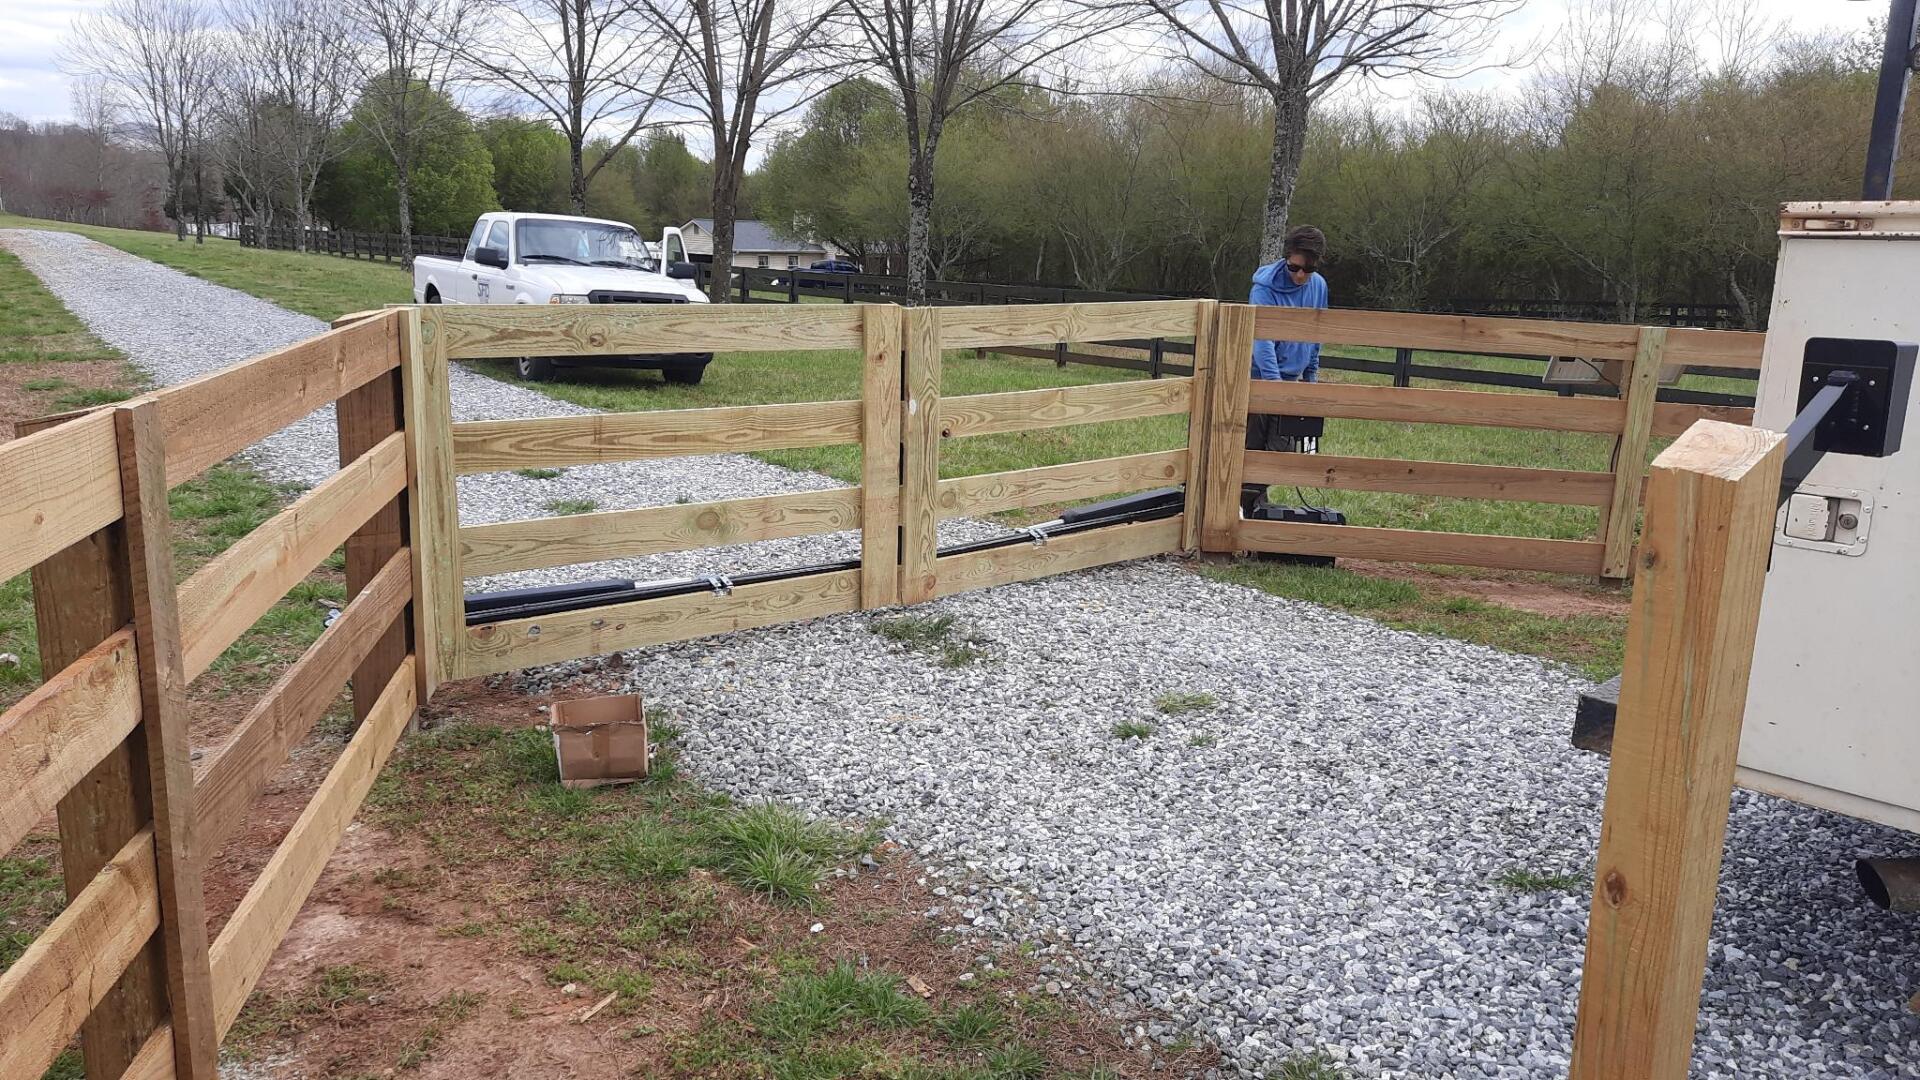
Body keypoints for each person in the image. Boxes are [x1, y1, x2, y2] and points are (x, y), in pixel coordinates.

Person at [1243, 225, 1330, 515]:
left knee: (1281, 449)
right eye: (1295, 268)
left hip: (1293, 378)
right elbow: (1263, 340)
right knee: (1251, 446)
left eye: (1308, 269)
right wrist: (1274, 388)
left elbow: (1316, 334)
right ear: (1286, 259)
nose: (1300, 276)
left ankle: (1255, 502)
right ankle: (1244, 506)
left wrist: (1310, 379)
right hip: (1258, 377)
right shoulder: (1264, 288)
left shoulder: (1318, 286)